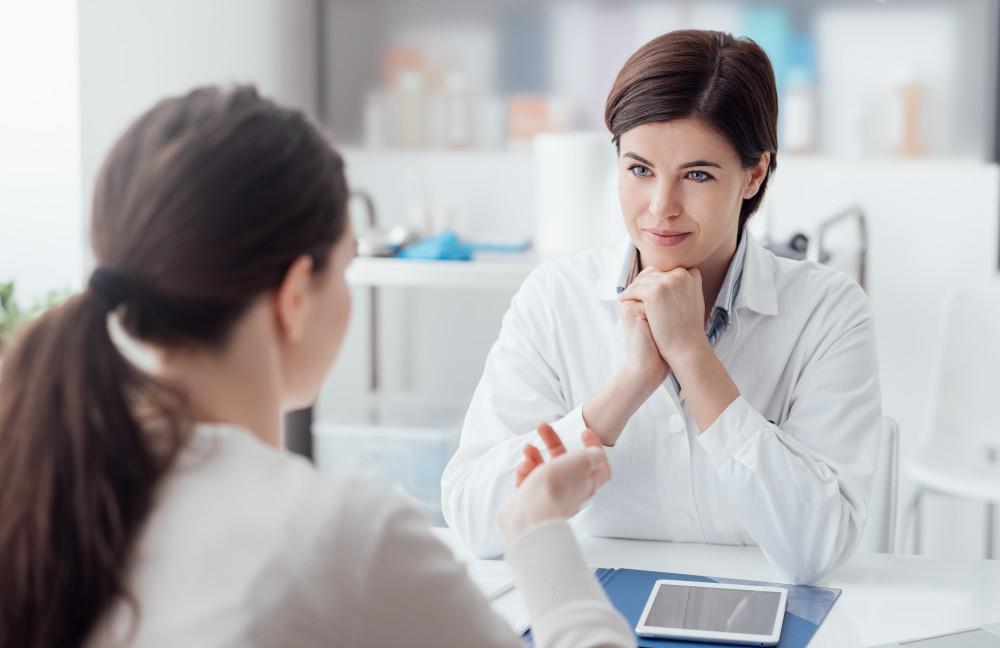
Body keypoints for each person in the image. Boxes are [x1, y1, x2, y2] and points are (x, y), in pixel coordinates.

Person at [0, 86, 633, 648]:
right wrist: (538, 532)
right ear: (295, 296)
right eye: (349, 263)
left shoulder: (41, 485)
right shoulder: (345, 540)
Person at [442, 29, 882, 585]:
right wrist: (628, 385)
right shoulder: (554, 298)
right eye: (640, 169)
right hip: (594, 614)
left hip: (762, 607)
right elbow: (477, 522)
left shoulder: (828, 311)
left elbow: (818, 548)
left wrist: (692, 356)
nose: (660, 207)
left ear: (754, 174)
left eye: (697, 175)